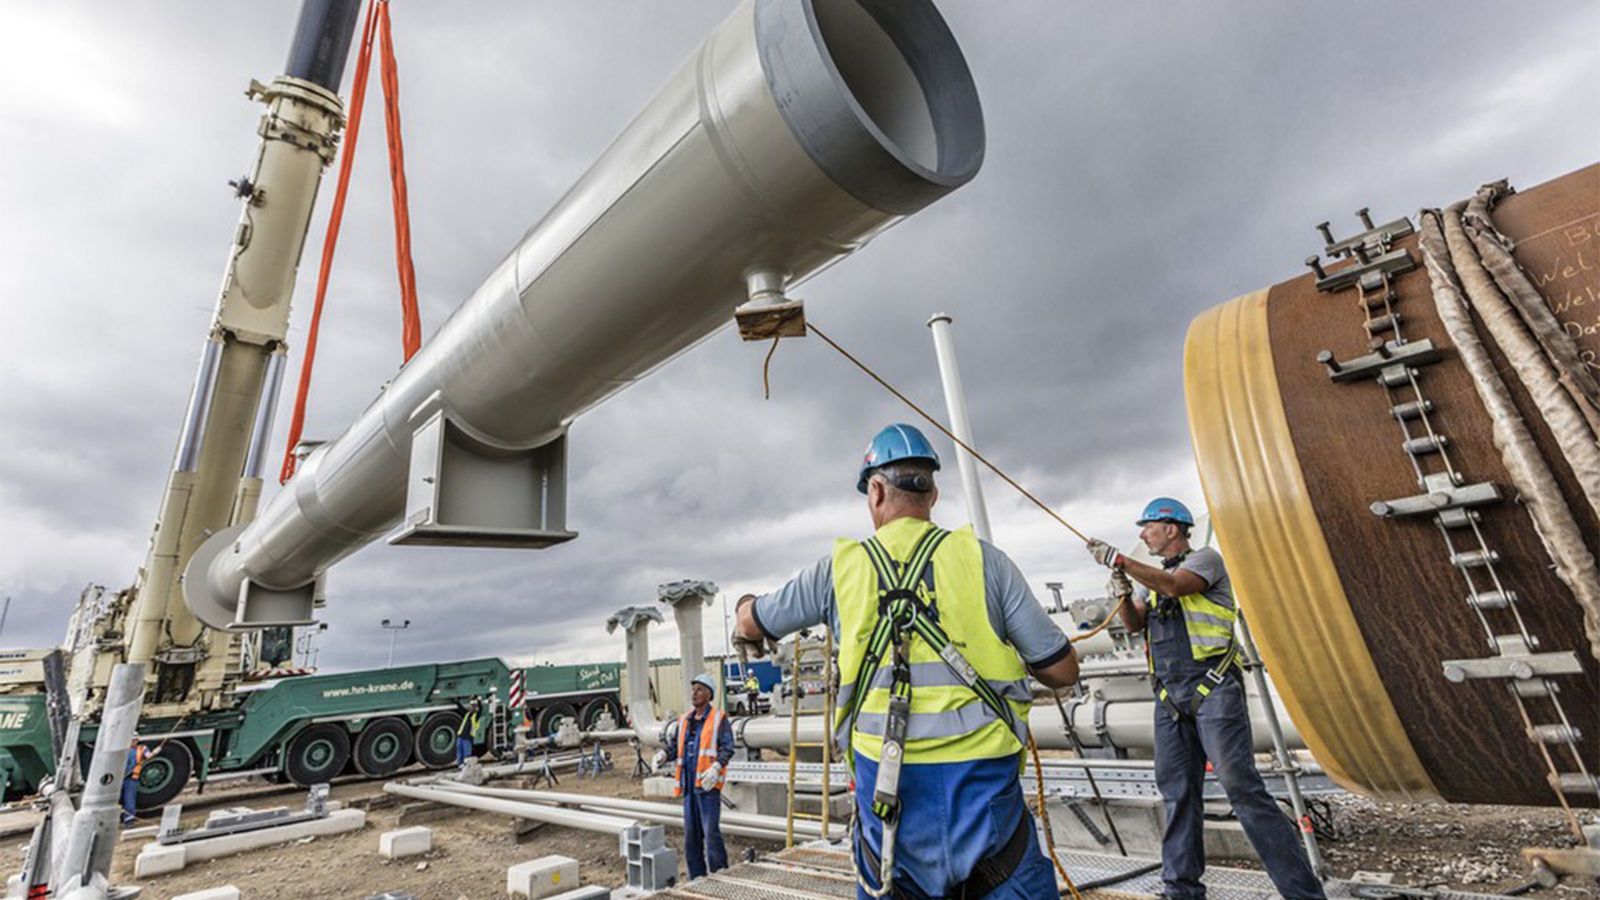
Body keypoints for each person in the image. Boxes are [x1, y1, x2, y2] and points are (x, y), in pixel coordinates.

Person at [733, 423, 1079, 899]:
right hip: (984, 790)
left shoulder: (840, 570)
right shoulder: (985, 562)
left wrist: (743, 608)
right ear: (932, 492)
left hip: (889, 791)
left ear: (875, 490)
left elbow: (755, 623)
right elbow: (1062, 670)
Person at [1086, 498, 1325, 900]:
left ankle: (1303, 894)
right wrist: (1123, 593)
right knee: (1177, 794)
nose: (1143, 534)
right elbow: (1133, 624)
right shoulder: (1153, 579)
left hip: (1212, 689)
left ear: (1172, 529)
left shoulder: (1206, 562)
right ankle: (1181, 891)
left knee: (1242, 789)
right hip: (1169, 698)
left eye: (1148, 527)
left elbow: (1179, 587)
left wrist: (1121, 560)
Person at [665, 672, 734, 879]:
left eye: (699, 689)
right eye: (693, 689)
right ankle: (697, 878)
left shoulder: (718, 719)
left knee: (711, 834)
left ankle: (719, 874)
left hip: (707, 787)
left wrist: (716, 768)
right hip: (688, 788)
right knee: (691, 837)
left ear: (709, 694)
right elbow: (675, 747)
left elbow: (728, 747)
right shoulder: (684, 720)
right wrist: (663, 754)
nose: (694, 693)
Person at [121, 735, 149, 825]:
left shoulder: (141, 749)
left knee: (129, 800)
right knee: (124, 799)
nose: (133, 742)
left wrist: (155, 752)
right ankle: (125, 818)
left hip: (130, 778)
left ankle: (128, 820)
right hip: (122, 778)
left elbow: (148, 756)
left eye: (135, 740)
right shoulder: (124, 749)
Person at [456, 697, 484, 767]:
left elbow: (481, 709)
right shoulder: (467, 714)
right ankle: (460, 763)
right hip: (461, 735)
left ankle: (466, 764)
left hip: (468, 736)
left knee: (467, 752)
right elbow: (461, 709)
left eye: (473, 707)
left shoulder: (476, 715)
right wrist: (457, 702)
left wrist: (479, 701)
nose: (471, 708)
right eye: (471, 706)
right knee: (459, 750)